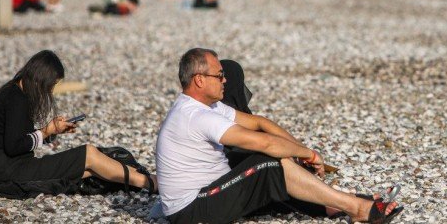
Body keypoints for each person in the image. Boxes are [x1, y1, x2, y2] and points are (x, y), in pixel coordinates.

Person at [155, 48, 402, 224]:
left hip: (210, 189)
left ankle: (332, 204)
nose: (225, 80)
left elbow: (260, 123)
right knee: (269, 163)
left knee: (269, 165)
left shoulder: (208, 106)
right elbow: (266, 143)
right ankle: (356, 207)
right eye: (219, 75)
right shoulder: (195, 116)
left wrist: (299, 152)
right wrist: (310, 154)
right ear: (199, 80)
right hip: (190, 210)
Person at [0, 50, 157, 196]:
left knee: (90, 167)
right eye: (50, 86)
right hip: (9, 172)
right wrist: (46, 131)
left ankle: (147, 180)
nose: (50, 91)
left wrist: (52, 131)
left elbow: (18, 138)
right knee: (89, 154)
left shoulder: (16, 92)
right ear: (40, 79)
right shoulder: (16, 99)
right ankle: (150, 183)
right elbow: (14, 146)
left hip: (9, 168)